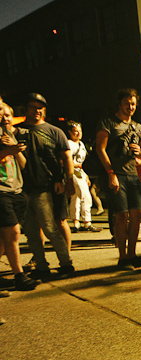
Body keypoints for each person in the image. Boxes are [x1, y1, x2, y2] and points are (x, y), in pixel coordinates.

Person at [19, 93, 75, 279]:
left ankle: (66, 264)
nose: (37, 111)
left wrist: (68, 180)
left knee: (52, 227)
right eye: (33, 107)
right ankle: (41, 267)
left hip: (47, 186)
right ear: (26, 108)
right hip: (23, 188)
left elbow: (67, 157)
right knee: (31, 232)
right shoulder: (17, 132)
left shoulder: (54, 131)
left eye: (40, 107)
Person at [96, 88, 141, 270]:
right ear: (119, 103)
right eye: (127, 103)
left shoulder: (138, 127)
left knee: (137, 215)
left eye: (133, 104)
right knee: (121, 215)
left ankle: (132, 254)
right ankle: (123, 257)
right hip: (116, 174)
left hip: (133, 174)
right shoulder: (108, 123)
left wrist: (140, 154)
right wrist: (110, 173)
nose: (130, 107)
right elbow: (100, 149)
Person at [0, 102, 38, 291]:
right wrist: (8, 151)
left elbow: (22, 164)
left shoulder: (9, 135)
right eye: (1, 113)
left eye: (8, 114)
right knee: (13, 232)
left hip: (16, 189)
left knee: (3, 239)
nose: (4, 118)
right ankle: (19, 275)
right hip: (1, 191)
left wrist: (14, 148)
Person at [66, 121, 101, 232]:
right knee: (85, 196)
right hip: (73, 172)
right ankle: (87, 222)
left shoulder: (81, 145)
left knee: (76, 197)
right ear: (70, 132)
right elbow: (66, 161)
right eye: (75, 131)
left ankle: (76, 222)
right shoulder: (69, 144)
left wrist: (85, 175)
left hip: (80, 172)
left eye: (80, 131)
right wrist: (77, 166)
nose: (78, 133)